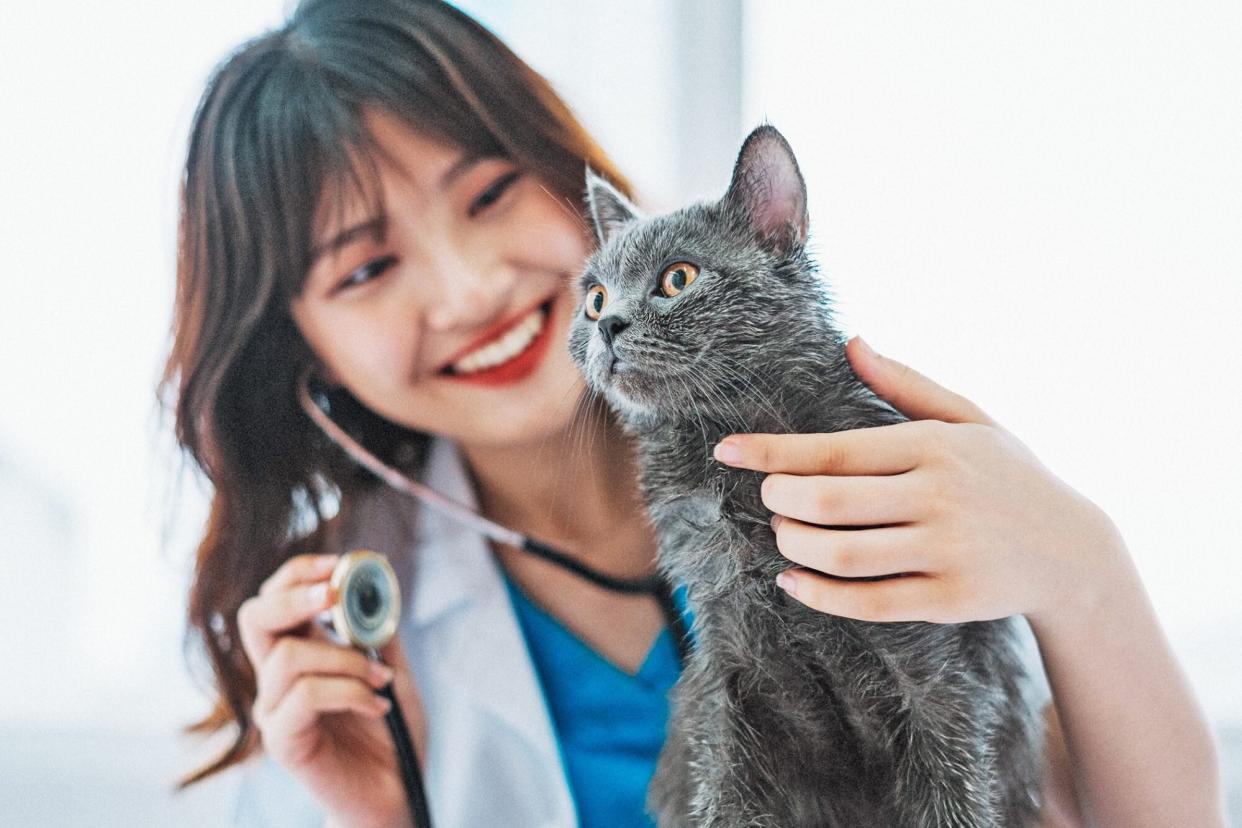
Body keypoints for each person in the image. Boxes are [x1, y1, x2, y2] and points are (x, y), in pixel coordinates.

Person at [161, 1, 1225, 826]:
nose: (467, 287)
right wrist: (387, 817)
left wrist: (1080, 571)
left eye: (488, 195)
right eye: (369, 267)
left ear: (557, 173)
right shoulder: (335, 645)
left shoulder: (860, 452)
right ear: (304, 351)